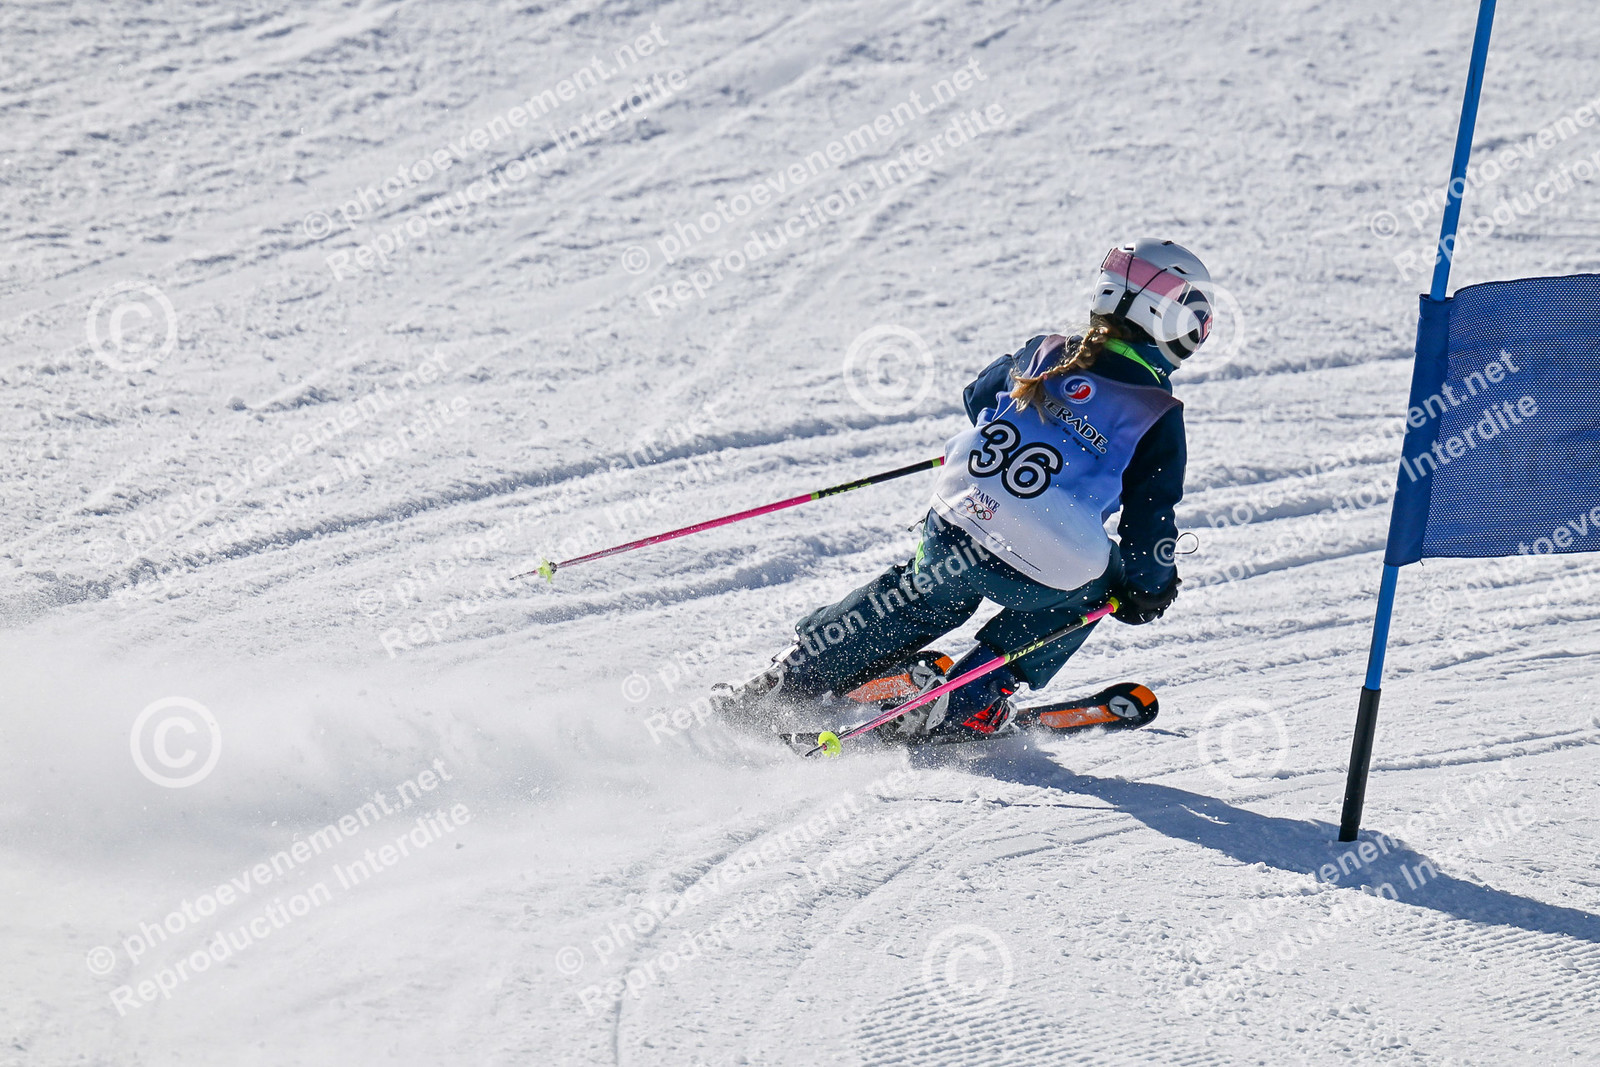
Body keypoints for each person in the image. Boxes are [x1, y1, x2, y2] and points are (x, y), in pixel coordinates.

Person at [730, 238, 1213, 743]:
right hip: (1042, 570)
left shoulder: (1047, 350)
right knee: (1102, 585)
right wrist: (1147, 591)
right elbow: (1149, 523)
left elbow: (977, 396)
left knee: (924, 594)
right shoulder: (1157, 415)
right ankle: (968, 698)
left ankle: (798, 673)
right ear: (1173, 321)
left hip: (956, 525)